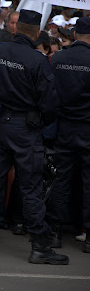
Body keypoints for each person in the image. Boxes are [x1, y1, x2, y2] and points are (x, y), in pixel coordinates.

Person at [0, 9, 69, 265]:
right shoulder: (37, 60)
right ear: (37, 33)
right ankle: (39, 247)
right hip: (25, 129)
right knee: (31, 187)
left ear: (16, 28)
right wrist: (37, 122)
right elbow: (50, 104)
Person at [46, 17, 90, 254]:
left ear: (75, 35)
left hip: (64, 127)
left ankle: (55, 232)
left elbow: (49, 93)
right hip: (87, 128)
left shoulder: (59, 58)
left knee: (61, 180)